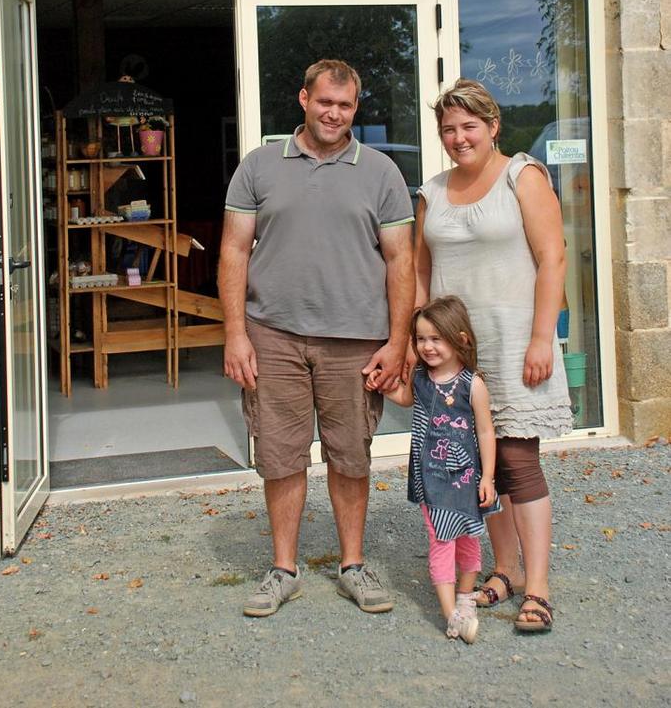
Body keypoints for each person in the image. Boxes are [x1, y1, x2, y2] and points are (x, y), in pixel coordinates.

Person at [218, 59, 415, 618]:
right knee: (280, 456)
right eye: (325, 101)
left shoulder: (380, 172)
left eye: (345, 105)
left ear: (356, 108)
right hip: (273, 335)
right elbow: (234, 251)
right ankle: (284, 568)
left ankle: (352, 564)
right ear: (304, 98)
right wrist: (236, 334)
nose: (334, 113)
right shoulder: (258, 166)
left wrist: (397, 342)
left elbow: (402, 261)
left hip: (356, 340)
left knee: (351, 455)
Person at [414, 79, 572, 634]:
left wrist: (541, 336)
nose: (459, 138)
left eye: (468, 127)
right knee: (482, 468)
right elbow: (418, 273)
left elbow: (553, 258)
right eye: (448, 129)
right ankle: (502, 570)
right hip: (455, 354)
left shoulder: (522, 176)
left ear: (493, 125)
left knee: (518, 462)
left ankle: (539, 588)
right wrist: (419, 345)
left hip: (514, 342)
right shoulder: (430, 192)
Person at [366, 296, 499, 644]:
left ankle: (465, 598)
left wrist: (487, 477)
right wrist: (383, 386)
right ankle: (449, 614)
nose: (427, 347)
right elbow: (407, 398)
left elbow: (486, 431)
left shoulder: (473, 385)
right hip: (431, 477)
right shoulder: (422, 378)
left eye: (435, 339)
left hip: (468, 478)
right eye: (421, 339)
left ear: (461, 339)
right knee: (441, 540)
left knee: (468, 537)